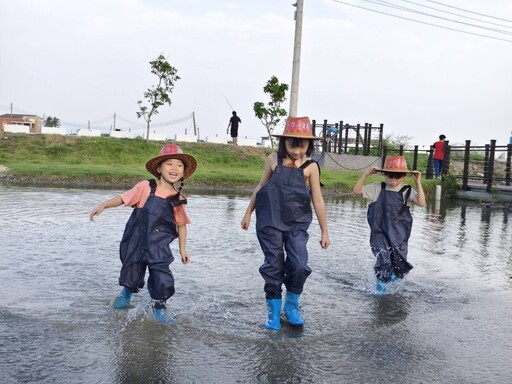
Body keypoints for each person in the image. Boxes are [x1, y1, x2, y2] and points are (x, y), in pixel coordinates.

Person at [89, 144, 197, 324]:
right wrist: (104, 205)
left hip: (159, 246)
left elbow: (182, 225)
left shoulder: (177, 199)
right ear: (159, 168)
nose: (174, 168)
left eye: (179, 165)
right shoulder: (146, 187)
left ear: (184, 172)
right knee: (132, 272)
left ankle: (159, 307)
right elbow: (124, 198)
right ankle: (127, 293)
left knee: (162, 277)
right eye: (169, 164)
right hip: (136, 241)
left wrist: (183, 249)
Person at [241, 116, 330, 330]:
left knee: (299, 263)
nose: (297, 151)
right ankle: (273, 312)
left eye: (302, 146)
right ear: (284, 142)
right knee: (273, 265)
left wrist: (324, 231)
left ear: (310, 144)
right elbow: (261, 187)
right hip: (269, 221)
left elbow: (317, 199)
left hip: (297, 223)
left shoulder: (311, 167)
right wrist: (247, 213)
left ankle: (291, 305)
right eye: (292, 145)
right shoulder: (273, 160)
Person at [352, 156, 425, 295]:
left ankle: (391, 283)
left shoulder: (406, 190)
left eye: (397, 177)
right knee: (383, 259)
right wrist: (366, 175)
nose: (392, 180)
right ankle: (380, 289)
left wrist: (418, 183)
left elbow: (421, 203)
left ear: (403, 176)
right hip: (379, 233)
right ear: (384, 174)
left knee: (398, 264)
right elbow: (356, 191)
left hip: (399, 235)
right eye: (389, 176)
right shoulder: (378, 187)